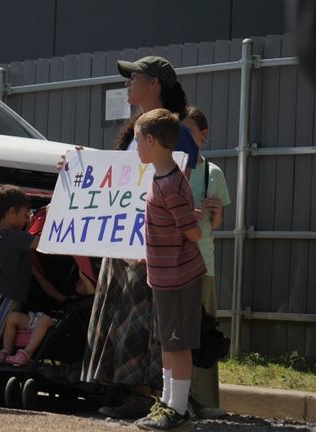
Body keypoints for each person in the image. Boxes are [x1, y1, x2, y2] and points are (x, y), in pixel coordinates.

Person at [77, 56, 199, 420]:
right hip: (125, 243)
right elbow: (118, 179)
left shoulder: (175, 133)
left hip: (153, 247)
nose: (128, 84)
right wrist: (81, 166)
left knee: (146, 320)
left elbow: (179, 186)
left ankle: (151, 395)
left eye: (135, 78)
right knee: (126, 313)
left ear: (155, 84)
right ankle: (132, 390)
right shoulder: (135, 132)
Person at [133, 109, 206, 431]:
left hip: (180, 277)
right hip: (163, 275)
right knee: (168, 342)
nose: (136, 147)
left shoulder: (171, 185)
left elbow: (193, 234)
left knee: (178, 344)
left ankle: (178, 409)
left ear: (151, 141)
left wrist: (191, 218)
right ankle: (167, 402)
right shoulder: (162, 178)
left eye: (137, 140)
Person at [0, 186, 69, 367]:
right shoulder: (13, 237)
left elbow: (25, 238)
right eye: (25, 215)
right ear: (11, 212)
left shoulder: (7, 235)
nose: (27, 219)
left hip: (9, 294)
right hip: (5, 296)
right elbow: (41, 243)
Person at [183, 106, 232, 418]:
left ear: (203, 135)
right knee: (174, 334)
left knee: (203, 332)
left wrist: (213, 212)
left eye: (189, 132)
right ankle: (175, 399)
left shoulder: (213, 173)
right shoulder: (166, 170)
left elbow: (216, 225)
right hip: (172, 264)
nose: (183, 139)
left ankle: (205, 402)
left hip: (203, 263)